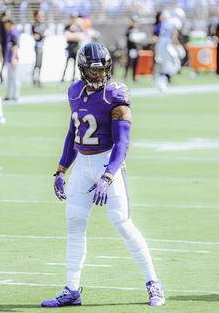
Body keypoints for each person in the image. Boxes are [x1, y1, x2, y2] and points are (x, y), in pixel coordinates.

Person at [41, 42, 165, 308]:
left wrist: (108, 176)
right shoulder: (74, 91)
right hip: (82, 165)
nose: (98, 75)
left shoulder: (116, 96)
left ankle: (153, 282)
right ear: (83, 70)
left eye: (102, 69)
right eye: (93, 70)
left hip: (107, 163)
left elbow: (123, 143)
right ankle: (72, 289)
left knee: (121, 222)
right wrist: (62, 168)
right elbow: (72, 133)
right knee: (74, 225)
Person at [60, 13, 84, 84]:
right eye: (72, 18)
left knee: (75, 65)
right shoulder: (67, 27)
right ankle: (62, 79)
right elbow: (67, 36)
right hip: (69, 48)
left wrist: (73, 36)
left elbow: (81, 36)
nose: (74, 19)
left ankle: (73, 79)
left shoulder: (78, 27)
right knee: (66, 64)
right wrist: (76, 36)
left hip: (76, 48)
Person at [4, 19, 21, 101]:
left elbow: (15, 46)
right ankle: (9, 95)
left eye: (6, 24)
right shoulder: (9, 33)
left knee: (14, 78)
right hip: (9, 58)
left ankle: (16, 95)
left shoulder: (13, 34)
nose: (5, 26)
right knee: (10, 78)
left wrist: (13, 58)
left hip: (13, 59)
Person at [31, 10, 46, 87]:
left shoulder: (42, 24)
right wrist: (42, 35)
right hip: (38, 45)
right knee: (37, 63)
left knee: (40, 64)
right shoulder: (34, 25)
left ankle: (38, 79)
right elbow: (36, 37)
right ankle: (34, 79)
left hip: (41, 45)